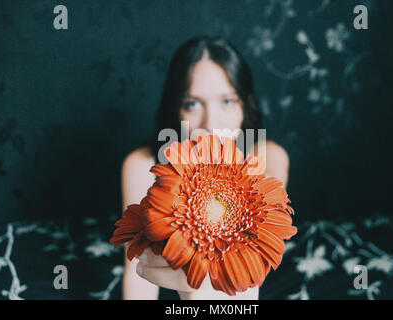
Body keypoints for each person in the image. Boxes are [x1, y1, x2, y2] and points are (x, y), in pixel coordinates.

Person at [120, 36, 290, 300]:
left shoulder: (268, 156)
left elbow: (254, 258)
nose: (211, 123)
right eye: (193, 104)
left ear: (245, 107)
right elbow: (137, 268)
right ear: (175, 109)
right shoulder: (142, 165)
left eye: (227, 101)